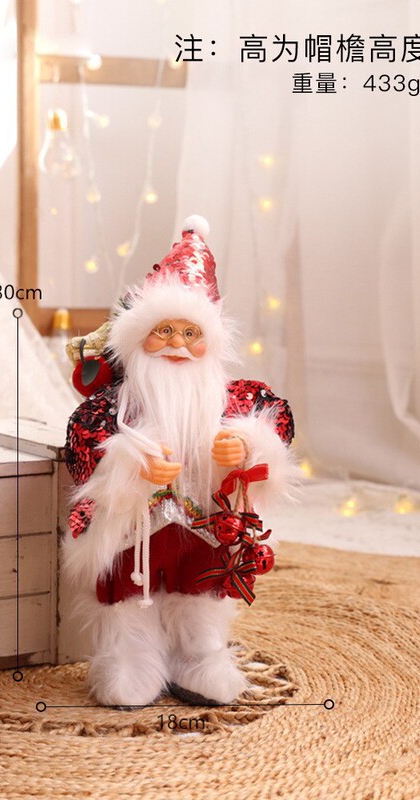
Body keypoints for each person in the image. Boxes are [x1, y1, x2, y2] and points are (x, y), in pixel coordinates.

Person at [63, 215, 295, 706]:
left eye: (191, 332)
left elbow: (275, 428)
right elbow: (82, 447)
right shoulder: (112, 407)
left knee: (201, 588)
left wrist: (245, 447)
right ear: (137, 339)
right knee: (126, 590)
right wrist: (131, 465)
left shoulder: (233, 398)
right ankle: (129, 658)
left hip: (204, 525)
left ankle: (201, 655)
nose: (177, 344)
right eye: (164, 330)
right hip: (134, 528)